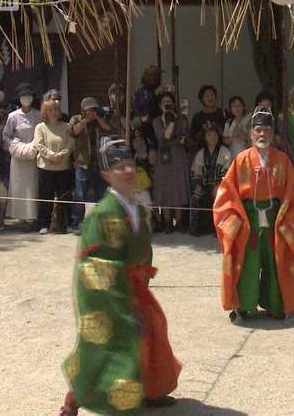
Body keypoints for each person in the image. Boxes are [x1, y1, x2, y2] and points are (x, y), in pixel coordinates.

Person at [59, 136, 181, 416]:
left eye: (130, 165)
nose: (127, 171)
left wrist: (141, 278)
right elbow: (93, 265)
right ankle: (77, 400)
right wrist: (119, 303)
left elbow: (143, 251)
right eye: (119, 168)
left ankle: (149, 390)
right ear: (105, 175)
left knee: (153, 330)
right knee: (106, 348)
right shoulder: (102, 214)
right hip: (107, 294)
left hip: (133, 287)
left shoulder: (138, 208)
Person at [213, 107, 294, 322]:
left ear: (273, 134)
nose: (262, 135)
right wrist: (235, 221)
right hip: (248, 221)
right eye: (257, 130)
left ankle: (277, 305)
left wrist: (287, 218)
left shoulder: (282, 161)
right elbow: (227, 193)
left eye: (266, 130)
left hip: (277, 219)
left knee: (277, 263)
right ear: (251, 134)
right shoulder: (241, 160)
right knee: (247, 264)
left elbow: (292, 194)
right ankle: (245, 307)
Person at [68, 97, 115, 234]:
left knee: (102, 193)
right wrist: (86, 120)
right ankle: (76, 222)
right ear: (83, 110)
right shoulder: (76, 119)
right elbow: (73, 132)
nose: (91, 112)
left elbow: (110, 129)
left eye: (93, 109)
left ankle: (101, 223)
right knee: (80, 194)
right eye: (88, 110)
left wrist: (98, 118)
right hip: (82, 163)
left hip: (100, 163)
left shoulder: (101, 119)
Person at [3, 83, 41, 229]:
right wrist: (15, 147)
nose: (26, 98)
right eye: (23, 96)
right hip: (18, 157)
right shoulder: (13, 117)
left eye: (28, 95)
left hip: (33, 155)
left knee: (32, 186)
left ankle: (32, 216)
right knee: (18, 186)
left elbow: (41, 133)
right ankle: (20, 218)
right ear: (19, 99)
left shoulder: (38, 115)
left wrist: (34, 147)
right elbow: (6, 135)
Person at [34, 100, 75, 234]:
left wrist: (61, 155)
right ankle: (44, 224)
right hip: (45, 168)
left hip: (63, 167)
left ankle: (67, 224)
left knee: (65, 197)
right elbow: (39, 145)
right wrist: (52, 156)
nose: (53, 112)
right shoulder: (40, 127)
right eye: (50, 110)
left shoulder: (66, 126)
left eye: (56, 109)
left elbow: (70, 143)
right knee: (45, 197)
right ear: (45, 112)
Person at [152, 92, 191, 233]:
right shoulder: (157, 121)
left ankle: (179, 222)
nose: (167, 106)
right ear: (160, 106)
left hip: (178, 157)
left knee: (178, 187)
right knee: (165, 188)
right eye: (164, 103)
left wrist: (175, 121)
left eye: (169, 103)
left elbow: (184, 138)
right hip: (163, 158)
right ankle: (167, 222)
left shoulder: (181, 119)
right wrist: (172, 123)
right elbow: (163, 138)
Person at [189, 124, 232, 236]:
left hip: (220, 186)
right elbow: (196, 171)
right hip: (204, 185)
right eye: (209, 135)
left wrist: (218, 185)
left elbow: (227, 171)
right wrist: (198, 185)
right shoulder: (200, 153)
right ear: (205, 138)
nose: (212, 137)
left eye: (214, 134)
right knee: (196, 197)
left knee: (219, 195)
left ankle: (219, 229)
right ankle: (197, 228)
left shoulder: (225, 152)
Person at [190, 85, 228, 154]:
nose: (210, 98)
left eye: (212, 95)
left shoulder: (224, 113)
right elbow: (193, 137)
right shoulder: (197, 117)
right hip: (203, 152)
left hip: (223, 152)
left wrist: (219, 130)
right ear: (201, 99)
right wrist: (204, 131)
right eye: (207, 96)